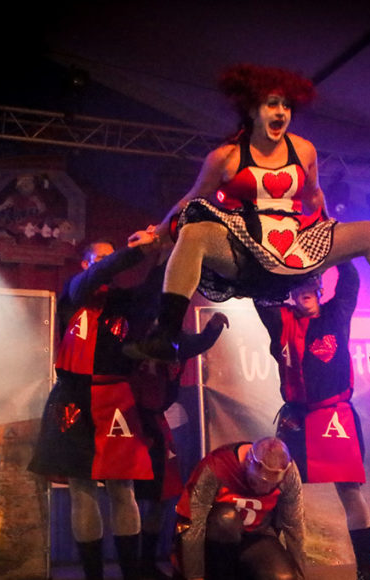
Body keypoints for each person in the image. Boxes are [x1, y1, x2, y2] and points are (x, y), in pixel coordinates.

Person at [125, 63, 370, 363]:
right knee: (195, 229)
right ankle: (167, 334)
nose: (281, 112)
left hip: (295, 246)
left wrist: (332, 235)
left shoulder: (304, 150)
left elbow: (315, 197)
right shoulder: (225, 157)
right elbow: (190, 199)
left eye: (285, 105)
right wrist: (156, 235)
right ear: (252, 109)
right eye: (272, 104)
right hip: (246, 252)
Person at [28, 230, 164, 580]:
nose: (108, 263)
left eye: (112, 257)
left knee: (123, 487)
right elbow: (100, 274)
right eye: (100, 258)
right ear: (86, 263)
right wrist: (135, 251)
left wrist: (162, 252)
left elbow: (152, 290)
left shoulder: (123, 302)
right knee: (81, 487)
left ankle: (131, 574)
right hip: (73, 395)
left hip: (116, 396)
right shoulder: (75, 291)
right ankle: (93, 576)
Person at [253, 261, 370, 580]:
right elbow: (260, 295)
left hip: (336, 415)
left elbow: (350, 278)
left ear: (319, 288)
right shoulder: (281, 320)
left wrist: (333, 252)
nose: (304, 291)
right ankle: (276, 567)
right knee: (277, 490)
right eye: (298, 286)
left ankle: (364, 570)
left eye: (310, 284)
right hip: (296, 417)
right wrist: (279, 266)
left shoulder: (336, 314)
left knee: (350, 492)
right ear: (291, 293)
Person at [133, 311, 230, 579]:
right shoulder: (132, 340)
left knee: (163, 496)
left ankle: (145, 562)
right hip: (128, 422)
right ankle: (132, 565)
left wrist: (212, 328)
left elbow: (197, 344)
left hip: (158, 424)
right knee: (125, 495)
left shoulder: (177, 341)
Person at [172, 436, 304, 580]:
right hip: (215, 541)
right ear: (249, 462)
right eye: (260, 481)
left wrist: (301, 574)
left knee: (284, 577)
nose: (264, 489)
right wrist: (194, 575)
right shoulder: (218, 465)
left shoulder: (289, 475)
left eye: (272, 484)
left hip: (257, 537)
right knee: (226, 520)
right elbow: (193, 522)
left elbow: (294, 526)